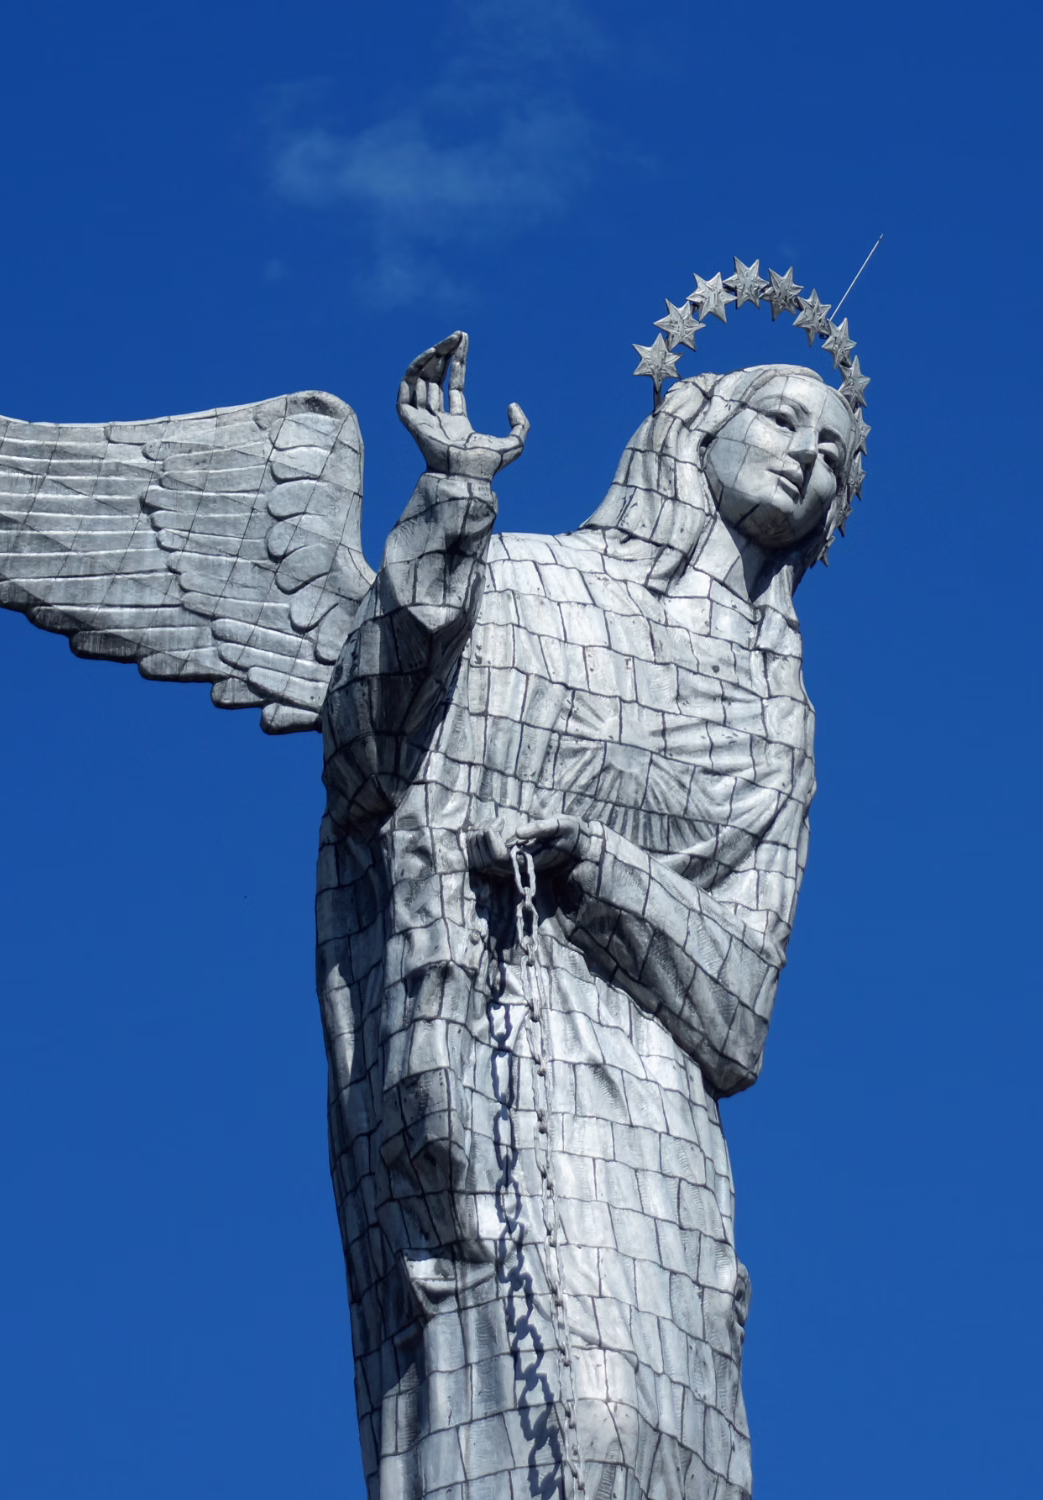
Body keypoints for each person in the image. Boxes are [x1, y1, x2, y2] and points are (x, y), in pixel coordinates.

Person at [315, 333, 862, 1500]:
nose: (809, 456)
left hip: (652, 1095)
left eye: (835, 455)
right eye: (781, 421)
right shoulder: (522, 578)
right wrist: (452, 503)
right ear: (692, 428)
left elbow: (742, 1011)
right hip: (486, 1025)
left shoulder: (779, 723)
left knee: (665, 1433)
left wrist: (608, 877)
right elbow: (369, 753)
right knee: (561, 1414)